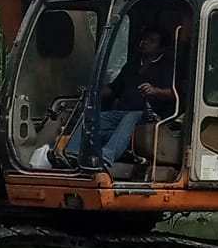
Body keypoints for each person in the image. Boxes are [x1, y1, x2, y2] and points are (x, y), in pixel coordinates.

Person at [59, 20, 177, 165]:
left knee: (131, 117)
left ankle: (107, 157)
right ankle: (71, 154)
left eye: (151, 41)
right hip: (122, 112)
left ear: (162, 48)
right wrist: (91, 92)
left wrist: (155, 91)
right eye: (144, 39)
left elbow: (175, 94)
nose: (144, 42)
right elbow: (114, 88)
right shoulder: (131, 65)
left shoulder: (168, 67)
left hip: (150, 115)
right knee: (96, 117)